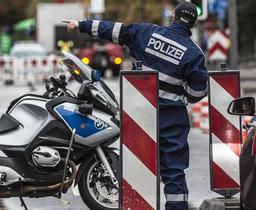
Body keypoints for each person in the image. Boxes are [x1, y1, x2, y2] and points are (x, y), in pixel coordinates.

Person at [64, 2, 208, 209]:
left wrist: (81, 24)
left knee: (137, 165)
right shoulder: (194, 54)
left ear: (173, 15)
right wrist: (182, 97)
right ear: (193, 23)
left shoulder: (145, 32)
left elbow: (112, 30)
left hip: (138, 114)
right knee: (173, 172)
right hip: (171, 119)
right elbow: (197, 91)